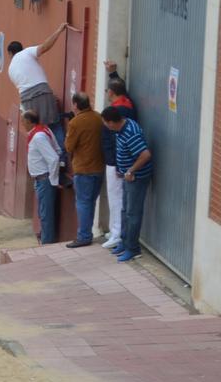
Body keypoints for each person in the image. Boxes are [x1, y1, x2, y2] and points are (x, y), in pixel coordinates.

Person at [102, 106, 153, 263]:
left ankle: (133, 248)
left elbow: (145, 155)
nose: (104, 125)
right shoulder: (120, 128)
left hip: (136, 178)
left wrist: (130, 171)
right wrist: (121, 168)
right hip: (126, 175)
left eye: (105, 122)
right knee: (125, 210)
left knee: (133, 213)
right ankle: (124, 242)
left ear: (111, 122)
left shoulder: (130, 133)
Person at [7, 23, 68, 150]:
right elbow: (45, 46)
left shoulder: (10, 69)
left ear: (9, 53)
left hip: (26, 100)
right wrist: (59, 30)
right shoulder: (27, 52)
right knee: (55, 125)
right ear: (21, 48)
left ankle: (45, 157)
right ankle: (62, 158)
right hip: (42, 92)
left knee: (37, 130)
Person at [101, 62, 137, 249]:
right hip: (118, 160)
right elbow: (121, 89)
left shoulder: (119, 110)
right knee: (117, 197)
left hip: (116, 162)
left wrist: (115, 163)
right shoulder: (125, 103)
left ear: (111, 93)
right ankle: (115, 230)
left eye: (108, 89)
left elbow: (115, 139)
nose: (106, 92)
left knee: (116, 197)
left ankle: (116, 233)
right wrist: (113, 73)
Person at [64, 92, 105, 248]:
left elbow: (68, 146)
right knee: (91, 202)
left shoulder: (75, 123)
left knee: (82, 202)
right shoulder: (98, 117)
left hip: (83, 169)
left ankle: (84, 236)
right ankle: (87, 233)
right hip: (99, 167)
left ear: (75, 105)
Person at [23, 110, 60, 244]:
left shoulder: (38, 136)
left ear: (29, 122)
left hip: (44, 179)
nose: (23, 124)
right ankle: (45, 239)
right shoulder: (44, 130)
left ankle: (47, 243)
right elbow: (57, 150)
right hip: (41, 179)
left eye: (24, 122)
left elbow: (54, 158)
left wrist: (54, 180)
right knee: (44, 212)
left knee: (45, 214)